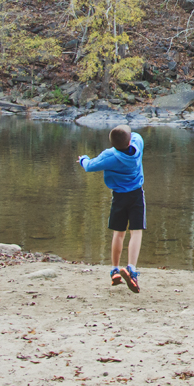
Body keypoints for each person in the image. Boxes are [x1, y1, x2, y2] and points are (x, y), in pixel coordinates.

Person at [78, 124, 145, 293]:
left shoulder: (109, 156)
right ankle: (132, 268)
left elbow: (89, 166)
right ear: (129, 140)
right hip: (136, 195)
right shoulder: (138, 143)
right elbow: (133, 135)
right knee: (136, 231)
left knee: (119, 232)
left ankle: (115, 270)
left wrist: (82, 159)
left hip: (119, 197)